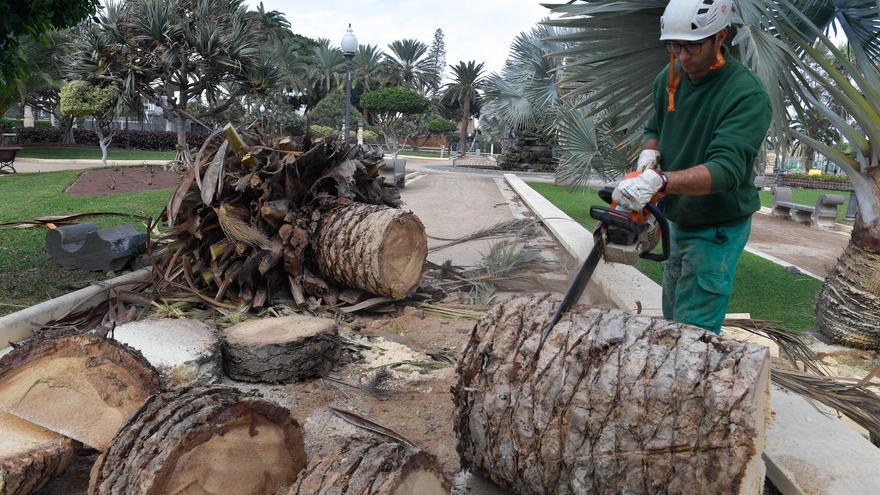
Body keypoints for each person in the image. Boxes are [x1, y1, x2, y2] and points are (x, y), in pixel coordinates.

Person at [611, 0, 772, 334]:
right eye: (674, 46)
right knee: (672, 310)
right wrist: (649, 156)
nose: (682, 56)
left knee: (693, 328)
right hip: (678, 216)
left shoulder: (745, 94)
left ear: (720, 37)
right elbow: (654, 128)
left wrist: (659, 182)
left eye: (691, 46)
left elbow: (725, 171)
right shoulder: (669, 77)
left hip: (717, 224)